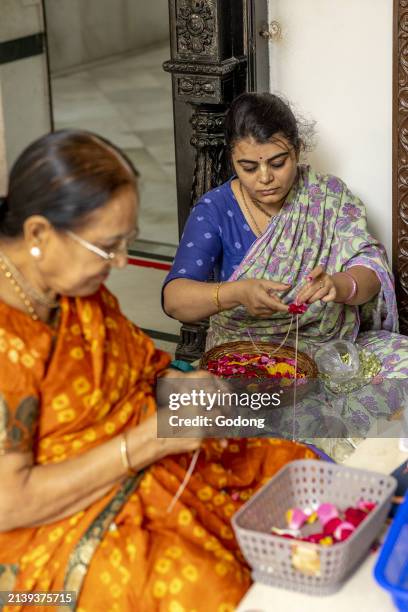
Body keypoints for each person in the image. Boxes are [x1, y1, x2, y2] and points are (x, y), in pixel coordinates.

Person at [0, 130, 319, 612]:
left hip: (144, 455)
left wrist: (184, 386)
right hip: (51, 532)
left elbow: (137, 373)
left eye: (126, 242)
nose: (124, 262)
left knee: (292, 471)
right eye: (108, 247)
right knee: (211, 589)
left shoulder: (71, 290)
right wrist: (154, 440)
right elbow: (11, 504)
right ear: (40, 234)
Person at [163, 92, 408, 455]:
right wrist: (235, 293)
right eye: (248, 167)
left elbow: (369, 267)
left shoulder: (327, 196)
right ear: (232, 157)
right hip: (249, 363)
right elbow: (175, 299)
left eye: (278, 163)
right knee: (289, 426)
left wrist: (338, 286)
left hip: (329, 347)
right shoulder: (215, 210)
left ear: (297, 149)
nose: (265, 178)